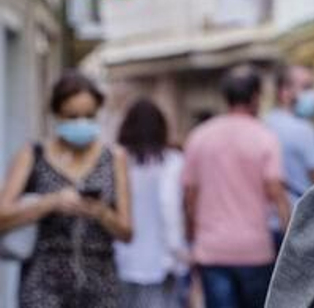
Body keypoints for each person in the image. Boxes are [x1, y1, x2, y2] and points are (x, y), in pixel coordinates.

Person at [0, 70, 133, 307]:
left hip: (100, 284)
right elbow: (2, 216)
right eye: (72, 116)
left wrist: (100, 212)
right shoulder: (33, 155)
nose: (81, 123)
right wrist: (50, 202)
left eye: (89, 116)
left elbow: (127, 232)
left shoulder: (114, 157)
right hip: (42, 284)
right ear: (57, 114)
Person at [182, 68, 289, 308]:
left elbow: (190, 196)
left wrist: (191, 236)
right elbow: (276, 193)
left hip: (211, 249)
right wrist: (291, 238)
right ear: (255, 97)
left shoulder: (200, 136)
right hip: (254, 249)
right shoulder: (264, 137)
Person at [114, 98, 188, 307]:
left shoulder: (117, 161)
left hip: (122, 259)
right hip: (161, 261)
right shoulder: (173, 162)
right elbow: (170, 207)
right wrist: (178, 249)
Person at [262, 64, 314, 225]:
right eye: (306, 87)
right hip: (299, 221)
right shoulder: (303, 130)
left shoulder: (263, 124)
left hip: (267, 222)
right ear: (284, 91)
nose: (312, 94)